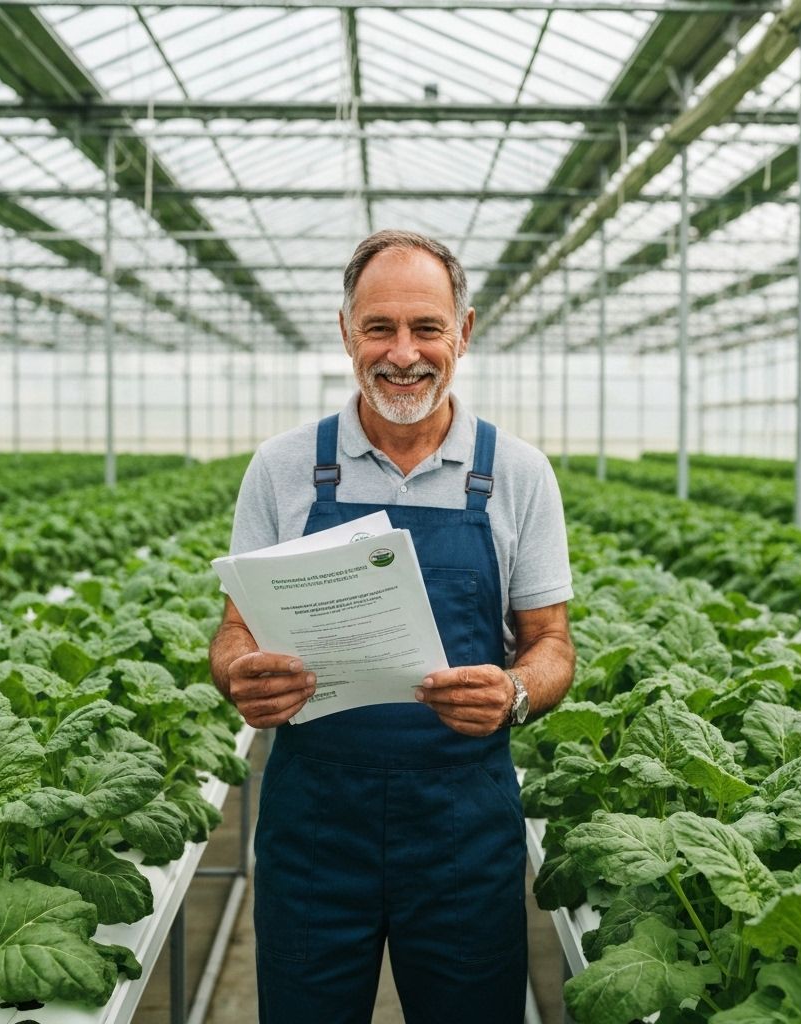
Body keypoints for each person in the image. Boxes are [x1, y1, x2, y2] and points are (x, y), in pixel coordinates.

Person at [209, 229, 575, 1024]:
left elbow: (553, 645)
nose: (402, 353)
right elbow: (234, 629)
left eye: (426, 328)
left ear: (463, 333)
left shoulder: (514, 473)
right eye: (379, 328)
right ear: (346, 332)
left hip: (462, 833)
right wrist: (240, 673)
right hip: (315, 830)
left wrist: (514, 691)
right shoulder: (284, 467)